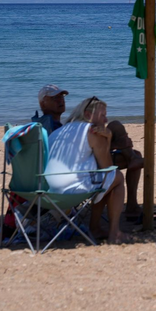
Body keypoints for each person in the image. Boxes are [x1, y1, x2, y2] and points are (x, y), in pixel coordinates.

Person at [44, 97, 129, 243]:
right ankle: (114, 232)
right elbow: (108, 169)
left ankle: (95, 228)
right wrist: (108, 138)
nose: (106, 119)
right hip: (72, 191)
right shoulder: (92, 131)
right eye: (103, 115)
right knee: (117, 177)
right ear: (88, 115)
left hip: (48, 192)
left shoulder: (59, 132)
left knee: (101, 182)